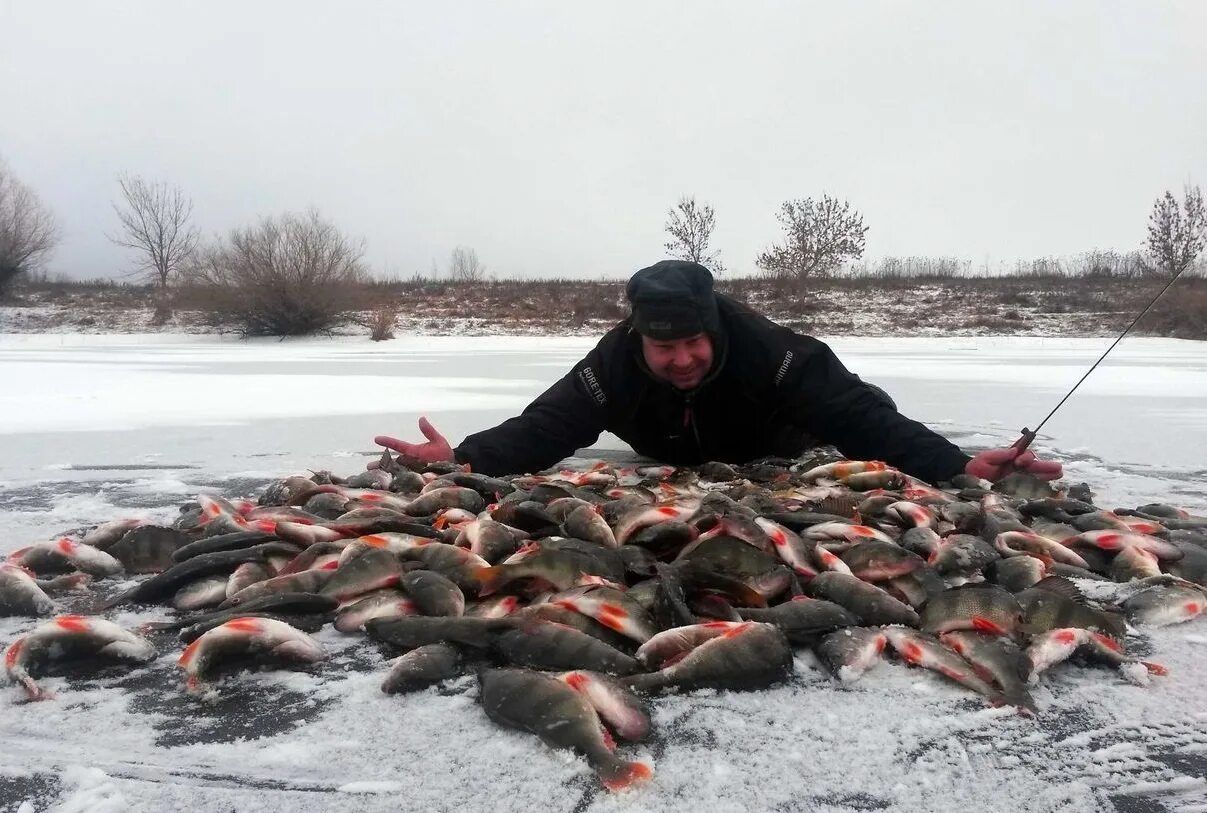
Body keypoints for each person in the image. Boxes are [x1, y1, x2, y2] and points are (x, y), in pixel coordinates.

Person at [375, 260, 1062, 484]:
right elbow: (547, 426)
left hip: (770, 445)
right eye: (661, 348)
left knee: (856, 406)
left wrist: (956, 466)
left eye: (692, 344)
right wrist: (462, 458)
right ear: (639, 335)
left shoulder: (773, 350)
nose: (679, 360)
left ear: (712, 326)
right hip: (667, 451)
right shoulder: (614, 360)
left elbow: (859, 417)